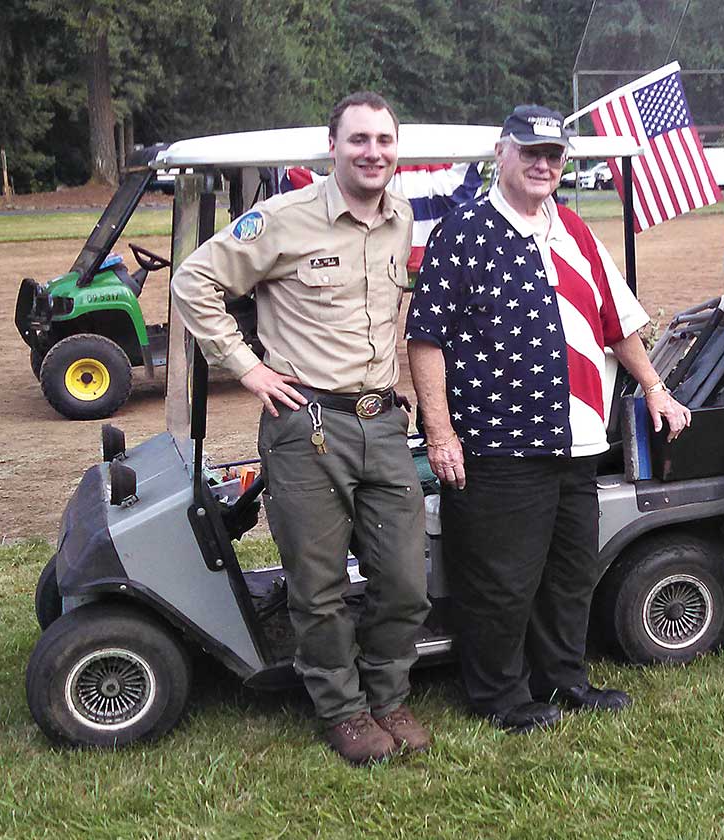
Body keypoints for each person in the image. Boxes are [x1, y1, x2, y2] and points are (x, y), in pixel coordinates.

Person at [406, 105, 691, 734]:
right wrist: (440, 430)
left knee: (569, 573)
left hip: (579, 438)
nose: (543, 165)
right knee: (502, 581)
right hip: (498, 442)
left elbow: (617, 323)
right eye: (530, 152)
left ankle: (563, 679)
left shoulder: (574, 231)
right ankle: (499, 695)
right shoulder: (465, 230)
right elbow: (425, 340)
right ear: (501, 154)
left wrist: (655, 388)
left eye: (554, 156)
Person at [170, 92, 432, 766]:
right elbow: (194, 281)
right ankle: (344, 713)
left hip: (381, 422)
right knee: (318, 587)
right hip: (305, 425)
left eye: (383, 140)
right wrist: (247, 369)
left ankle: (388, 695)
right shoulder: (283, 220)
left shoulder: (400, 217)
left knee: (404, 577)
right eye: (359, 140)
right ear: (333, 147)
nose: (373, 152)